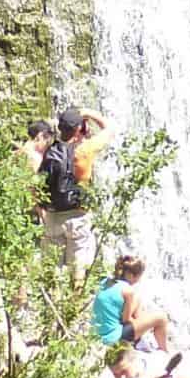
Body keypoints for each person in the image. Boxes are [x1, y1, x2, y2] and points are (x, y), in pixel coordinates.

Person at [39, 105, 110, 271]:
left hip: (53, 216)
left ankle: (53, 297)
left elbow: (36, 184)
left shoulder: (49, 150)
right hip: (77, 217)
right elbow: (109, 129)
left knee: (52, 270)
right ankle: (76, 297)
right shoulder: (85, 150)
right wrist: (89, 113)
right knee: (78, 269)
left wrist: (41, 210)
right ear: (79, 128)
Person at [91, 254, 174, 352]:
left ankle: (139, 340)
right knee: (161, 318)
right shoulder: (128, 291)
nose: (139, 280)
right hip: (113, 338)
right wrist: (145, 323)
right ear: (131, 275)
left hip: (95, 336)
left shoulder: (105, 281)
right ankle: (164, 351)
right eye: (139, 277)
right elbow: (126, 320)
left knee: (137, 299)